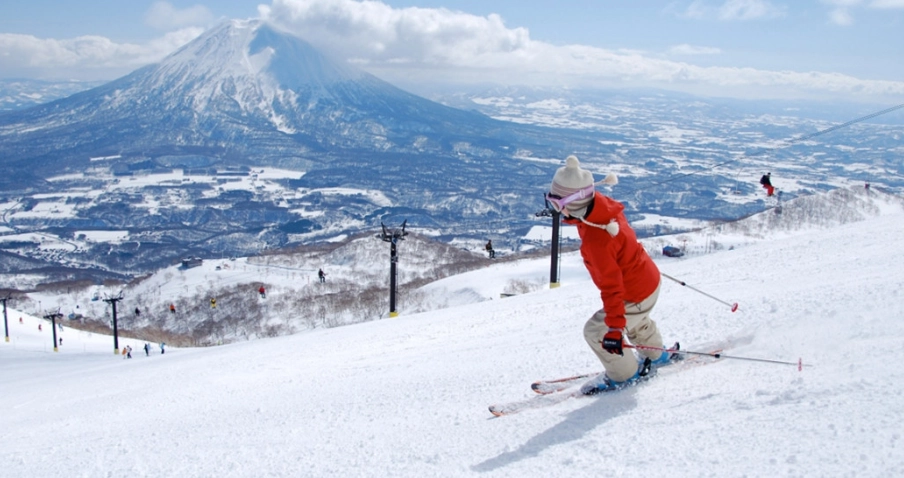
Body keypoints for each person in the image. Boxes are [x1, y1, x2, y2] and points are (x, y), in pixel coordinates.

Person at [546, 155, 671, 394]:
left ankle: (626, 375)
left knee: (596, 331)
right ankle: (657, 356)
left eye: (556, 202)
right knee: (638, 320)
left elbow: (612, 288)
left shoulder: (597, 239)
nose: (555, 208)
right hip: (647, 280)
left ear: (572, 202)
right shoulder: (600, 208)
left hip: (633, 291)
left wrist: (613, 330)